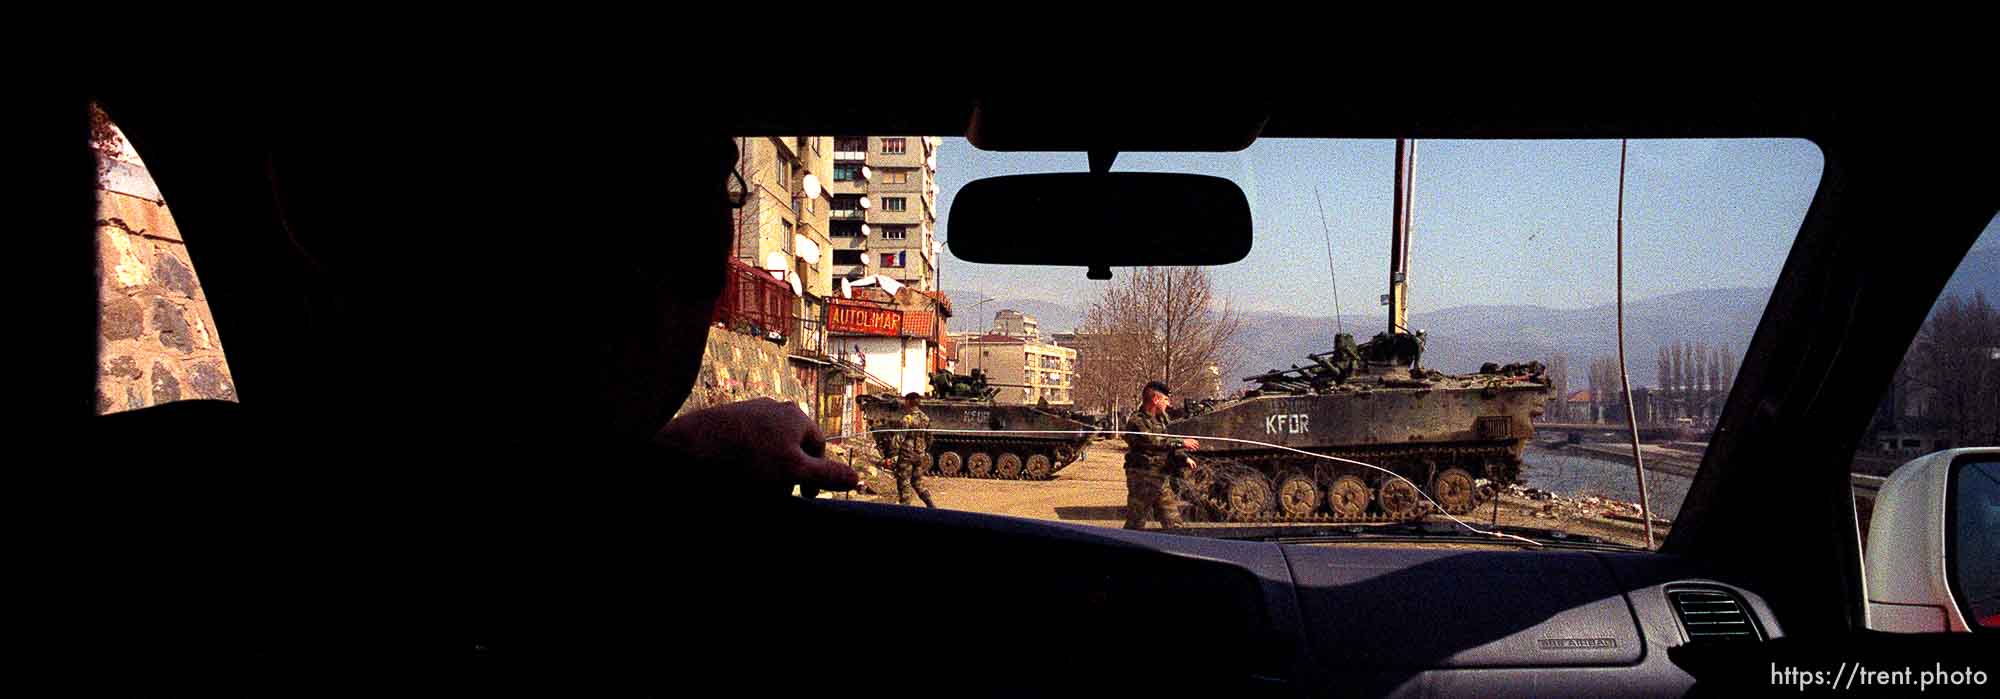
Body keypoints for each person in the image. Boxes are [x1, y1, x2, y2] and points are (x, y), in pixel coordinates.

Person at [1122, 380, 1199, 530]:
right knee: (1136, 523)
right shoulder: (1137, 421)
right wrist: (1182, 443)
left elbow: (1166, 443)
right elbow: (1153, 440)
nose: (1168, 404)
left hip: (1159, 476)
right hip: (1142, 477)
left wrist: (1183, 457)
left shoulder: (1161, 419)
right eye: (1165, 399)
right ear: (1155, 399)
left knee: (1173, 521)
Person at [887, 392, 937, 508]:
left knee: (904, 482)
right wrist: (924, 451)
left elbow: (900, 437)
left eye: (906, 400)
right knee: (917, 482)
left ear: (909, 402)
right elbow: (929, 437)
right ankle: (931, 506)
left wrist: (892, 454)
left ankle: (905, 509)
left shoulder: (907, 418)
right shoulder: (926, 418)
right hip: (919, 455)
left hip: (906, 455)